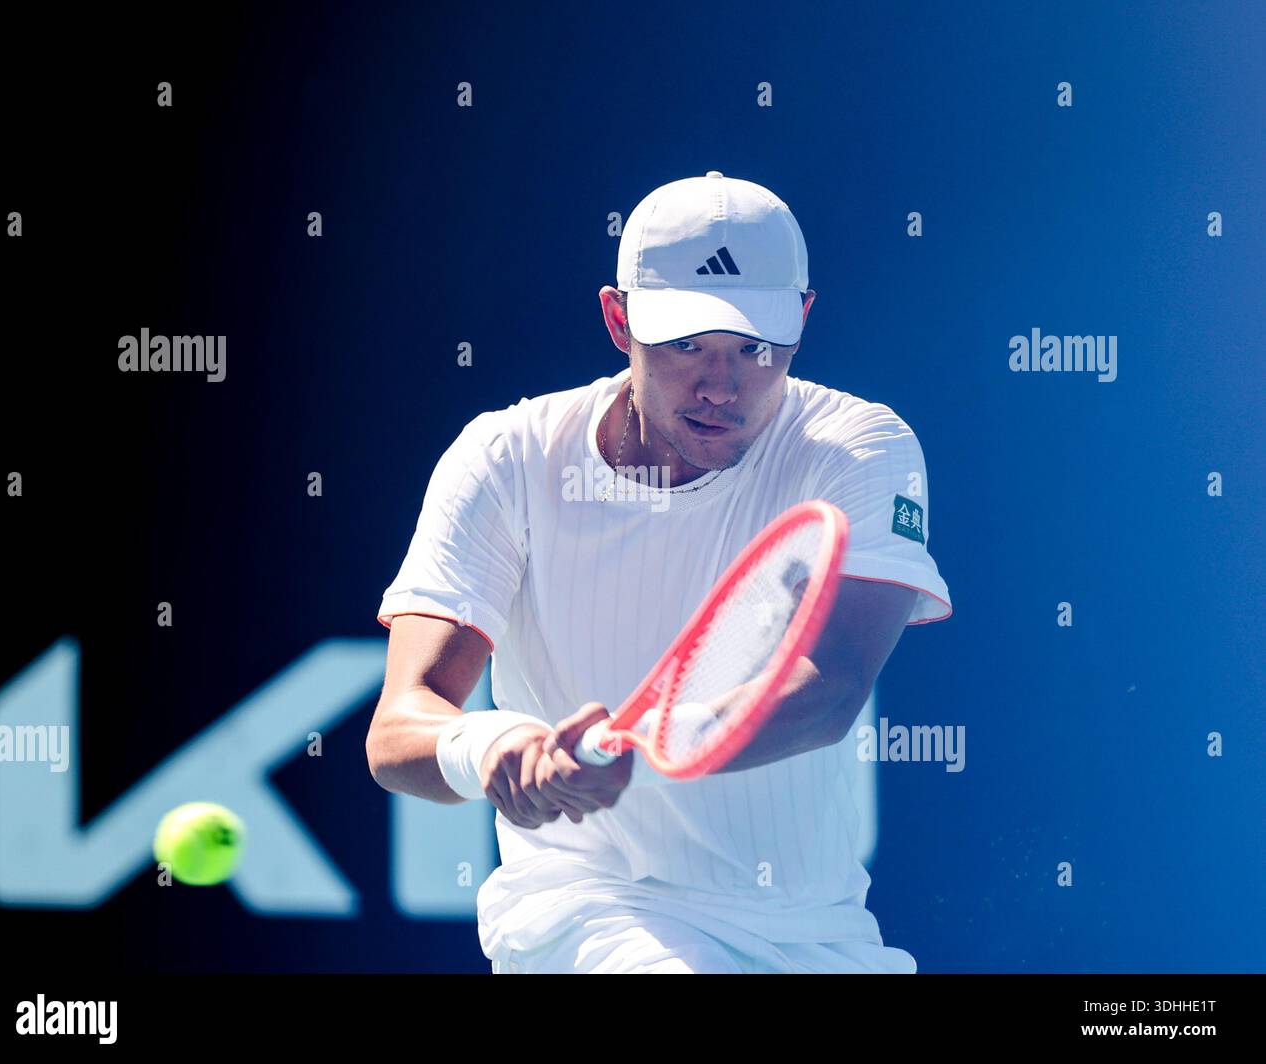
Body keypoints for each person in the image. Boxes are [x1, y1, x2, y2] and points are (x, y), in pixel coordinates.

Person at [367, 171, 952, 973]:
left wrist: (631, 749)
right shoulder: (504, 460)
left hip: (816, 936)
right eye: (687, 346)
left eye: (755, 348)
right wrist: (497, 744)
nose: (723, 385)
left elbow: (832, 688)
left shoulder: (862, 448)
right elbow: (401, 726)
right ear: (619, 318)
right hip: (590, 918)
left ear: (803, 321)